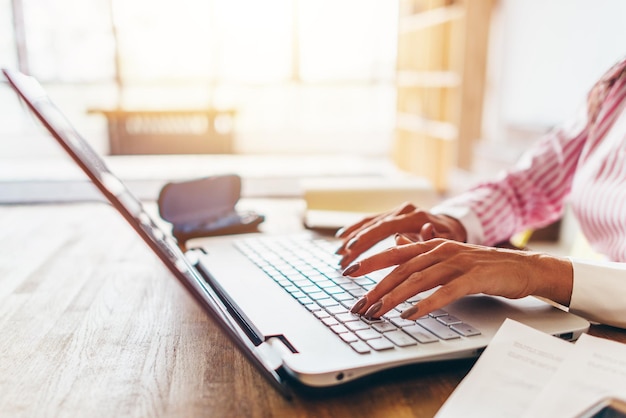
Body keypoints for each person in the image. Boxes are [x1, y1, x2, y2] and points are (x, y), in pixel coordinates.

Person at [336, 56, 626, 330]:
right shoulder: (618, 84)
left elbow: (540, 268)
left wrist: (540, 272)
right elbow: (528, 185)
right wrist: (456, 222)